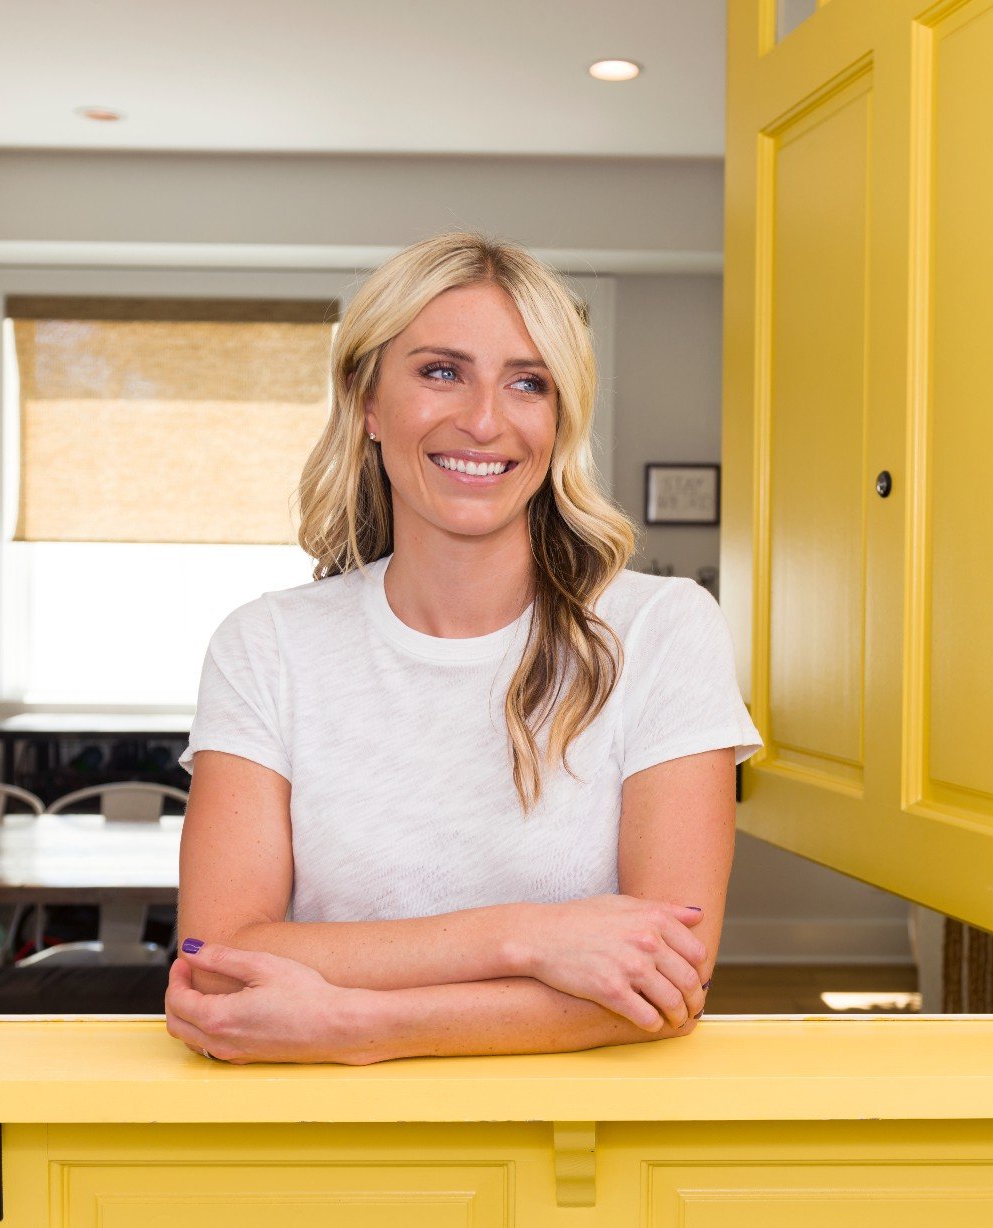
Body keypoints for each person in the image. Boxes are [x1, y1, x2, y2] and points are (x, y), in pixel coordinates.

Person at [163, 231, 761, 1065]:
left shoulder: (662, 631)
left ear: (559, 420)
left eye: (528, 383)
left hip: (581, 1148)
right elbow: (219, 961)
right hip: (324, 1142)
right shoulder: (267, 646)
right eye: (442, 371)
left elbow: (666, 985)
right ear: (368, 402)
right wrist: (527, 938)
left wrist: (356, 1025)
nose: (485, 421)